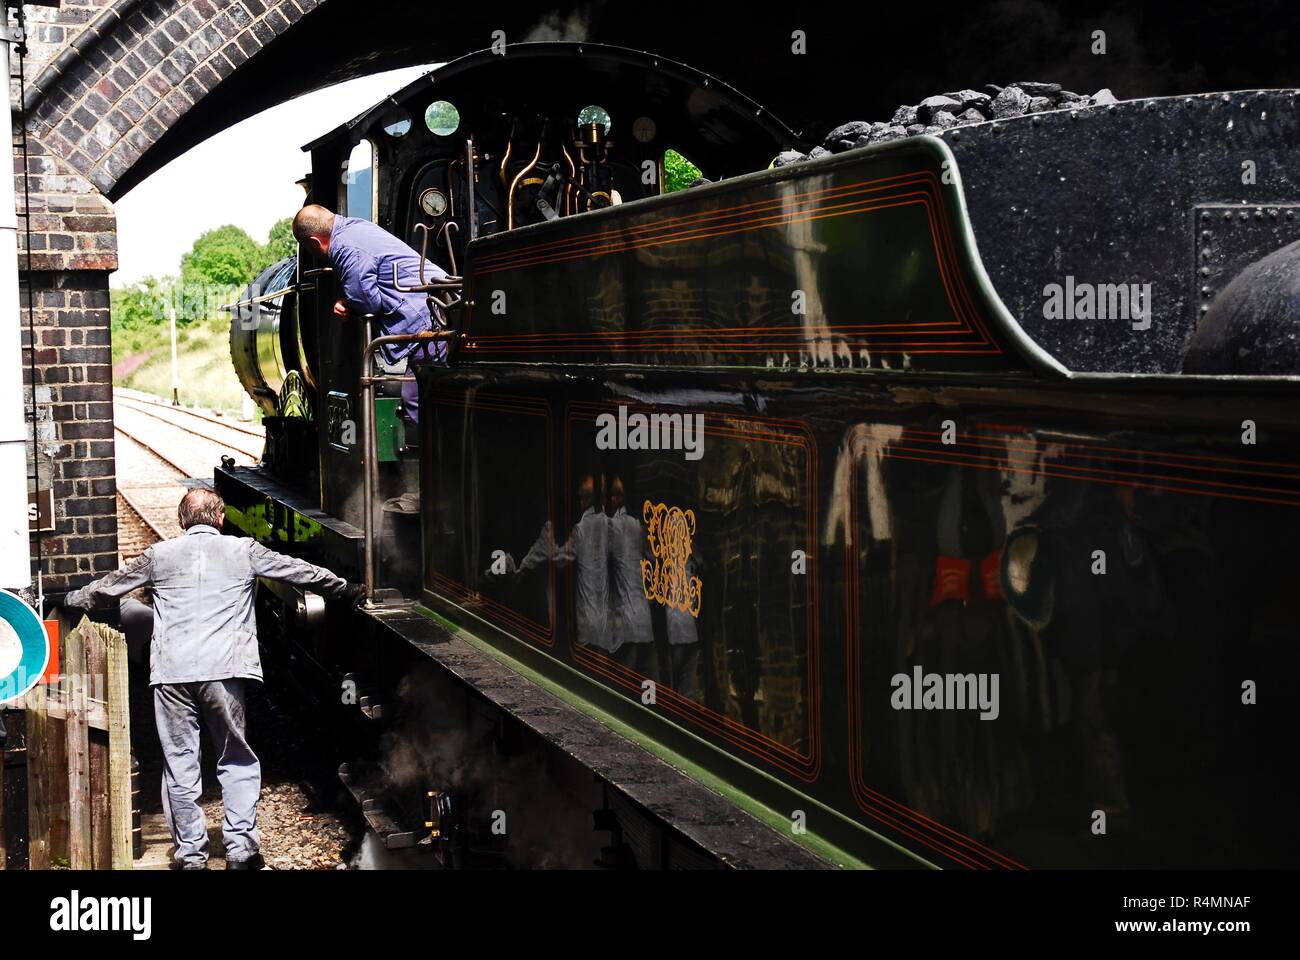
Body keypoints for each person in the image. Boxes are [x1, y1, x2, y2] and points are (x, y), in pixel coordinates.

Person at [66, 489, 359, 870]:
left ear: (182, 521)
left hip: (171, 674)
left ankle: (191, 856)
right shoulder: (244, 550)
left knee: (179, 763)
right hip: (224, 670)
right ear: (220, 519)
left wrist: (71, 598)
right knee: (235, 757)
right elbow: (300, 571)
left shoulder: (159, 555)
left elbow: (107, 588)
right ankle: (240, 852)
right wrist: (345, 588)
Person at [291, 203, 448, 423]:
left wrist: (348, 304)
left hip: (427, 318)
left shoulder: (345, 248)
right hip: (434, 308)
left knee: (417, 400)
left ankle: (438, 455)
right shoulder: (355, 227)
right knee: (423, 397)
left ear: (315, 242)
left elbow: (366, 302)